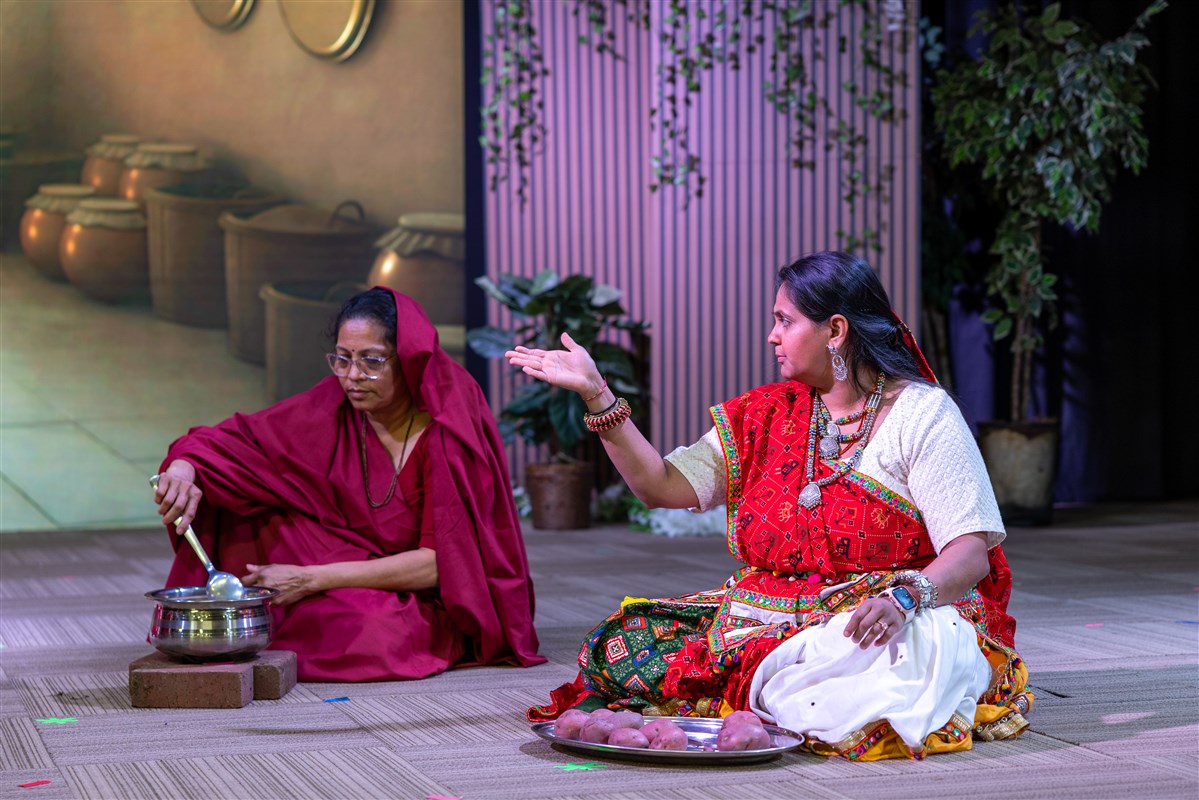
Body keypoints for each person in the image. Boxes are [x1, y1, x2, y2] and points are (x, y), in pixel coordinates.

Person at [507, 251, 1031, 760]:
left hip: (881, 617)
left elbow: (969, 553)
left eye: (785, 320)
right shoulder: (765, 415)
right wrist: (597, 394)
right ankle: (779, 689)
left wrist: (903, 601)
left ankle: (783, 689)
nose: (772, 336)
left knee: (911, 653)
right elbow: (661, 486)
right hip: (766, 615)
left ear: (835, 330)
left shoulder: (922, 414)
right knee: (623, 641)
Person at [152, 287, 544, 681]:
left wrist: (310, 579)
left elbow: (439, 565)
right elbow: (233, 441)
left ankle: (274, 622)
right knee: (254, 519)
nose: (353, 376)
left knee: (377, 634)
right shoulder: (333, 404)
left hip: (417, 587)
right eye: (342, 359)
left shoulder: (445, 429)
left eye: (371, 361)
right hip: (344, 557)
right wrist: (184, 470)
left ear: (408, 359)